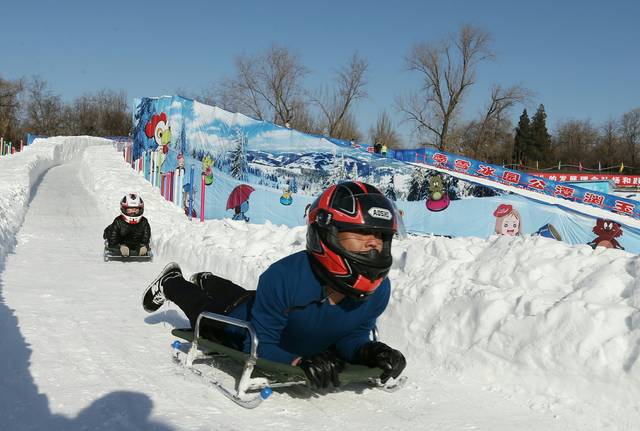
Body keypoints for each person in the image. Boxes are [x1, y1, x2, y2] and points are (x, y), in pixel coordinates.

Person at [142, 181, 406, 389]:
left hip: (265, 306)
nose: (374, 244)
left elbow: (350, 333)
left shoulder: (379, 290)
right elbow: (258, 344)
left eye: (381, 236)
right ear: (327, 234)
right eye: (361, 233)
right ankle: (172, 282)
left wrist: (368, 350)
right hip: (239, 324)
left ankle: (207, 279)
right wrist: (298, 362)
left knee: (247, 296)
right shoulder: (284, 276)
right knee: (206, 311)